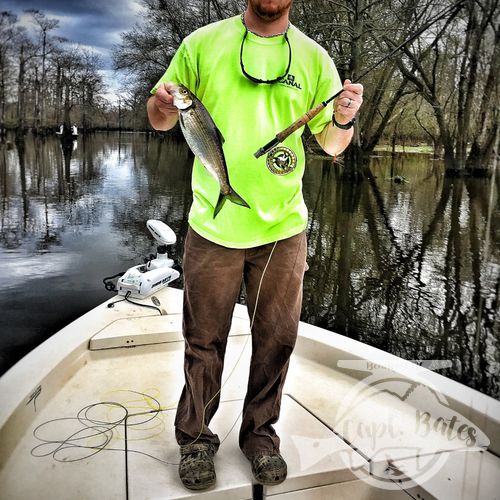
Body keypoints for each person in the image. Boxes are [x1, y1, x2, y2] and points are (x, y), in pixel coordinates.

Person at [147, 0, 363, 491]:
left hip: (284, 231)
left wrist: (344, 117)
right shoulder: (200, 45)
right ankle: (197, 439)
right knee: (203, 340)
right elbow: (160, 120)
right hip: (212, 229)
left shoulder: (314, 59)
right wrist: (162, 105)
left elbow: (329, 144)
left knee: (276, 342)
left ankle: (260, 439)